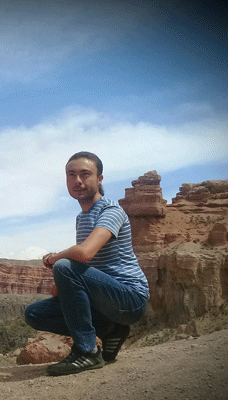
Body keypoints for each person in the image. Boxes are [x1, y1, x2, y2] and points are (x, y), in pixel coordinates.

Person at [24, 151, 149, 376]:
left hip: (130, 299)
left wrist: (52, 258)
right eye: (71, 175)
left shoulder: (111, 211)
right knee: (34, 314)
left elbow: (85, 253)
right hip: (105, 299)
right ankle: (112, 330)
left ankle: (87, 352)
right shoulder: (82, 217)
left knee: (64, 266)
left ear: (99, 179)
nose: (77, 181)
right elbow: (88, 264)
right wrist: (64, 285)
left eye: (85, 174)